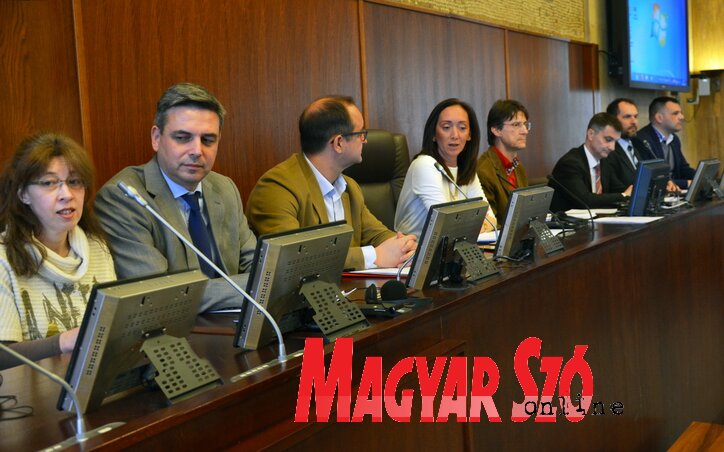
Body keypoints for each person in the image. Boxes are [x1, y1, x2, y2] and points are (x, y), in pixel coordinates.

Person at [95, 83, 256, 313]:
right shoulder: (123, 198)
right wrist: (254, 288)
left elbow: (261, 267)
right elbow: (161, 295)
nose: (197, 150)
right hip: (172, 331)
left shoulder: (224, 188)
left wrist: (262, 284)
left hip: (233, 325)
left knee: (302, 337)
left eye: (208, 140)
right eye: (182, 137)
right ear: (156, 137)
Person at [246, 95, 416, 270]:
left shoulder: (349, 187)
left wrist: (404, 246)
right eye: (361, 133)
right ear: (338, 143)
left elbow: (377, 234)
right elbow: (293, 257)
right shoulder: (276, 188)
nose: (365, 140)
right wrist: (374, 256)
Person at [0, 133, 115, 370]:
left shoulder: (97, 248)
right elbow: (2, 357)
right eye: (49, 183)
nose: (67, 195)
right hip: (30, 392)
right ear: (23, 194)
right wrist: (63, 342)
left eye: (74, 181)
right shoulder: (3, 258)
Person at [395, 98, 497, 237]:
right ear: (433, 134)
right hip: (414, 247)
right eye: (446, 127)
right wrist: (473, 226)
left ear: (469, 135)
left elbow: (491, 220)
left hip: (453, 245)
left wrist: (468, 226)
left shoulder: (466, 169)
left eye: (462, 128)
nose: (455, 135)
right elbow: (446, 225)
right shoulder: (424, 164)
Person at [549, 113, 632, 212]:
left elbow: (618, 189)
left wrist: (634, 191)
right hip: (569, 221)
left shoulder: (604, 161)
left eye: (615, 142)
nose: (612, 147)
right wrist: (623, 196)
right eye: (608, 139)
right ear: (591, 134)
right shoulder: (570, 164)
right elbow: (585, 200)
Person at [476, 99, 531, 224]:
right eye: (516, 125)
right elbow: (491, 225)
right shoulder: (483, 171)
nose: (525, 131)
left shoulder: (518, 167)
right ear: (496, 130)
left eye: (525, 124)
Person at [637, 96, 695, 190]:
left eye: (681, 113)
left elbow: (683, 168)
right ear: (659, 118)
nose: (682, 117)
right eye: (675, 113)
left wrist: (702, 178)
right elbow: (655, 178)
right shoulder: (642, 140)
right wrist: (686, 183)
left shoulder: (674, 139)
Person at [605, 98, 656, 187]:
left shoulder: (639, 144)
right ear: (612, 121)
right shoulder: (608, 150)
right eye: (627, 117)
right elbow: (614, 186)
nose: (634, 122)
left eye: (635, 116)